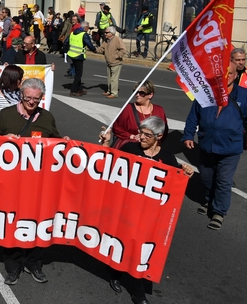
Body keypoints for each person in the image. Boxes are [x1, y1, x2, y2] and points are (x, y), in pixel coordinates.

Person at [100, 116, 194, 304]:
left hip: (149, 216)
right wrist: (107, 143)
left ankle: (138, 292)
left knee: (139, 251)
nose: (140, 137)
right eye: (140, 132)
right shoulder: (129, 148)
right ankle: (116, 274)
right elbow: (107, 164)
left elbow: (173, 184)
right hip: (126, 210)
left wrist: (186, 174)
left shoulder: (167, 157)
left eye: (146, 135)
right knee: (121, 244)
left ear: (158, 136)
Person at [0, 78, 68, 285]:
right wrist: (3, 139)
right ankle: (13, 267)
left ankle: (34, 264)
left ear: (41, 98)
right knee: (12, 224)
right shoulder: (6, 115)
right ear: (21, 95)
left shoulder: (47, 117)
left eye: (36, 99)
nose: (32, 102)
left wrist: (66, 144)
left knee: (37, 224)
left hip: (39, 185)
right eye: (28, 98)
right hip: (11, 183)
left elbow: (57, 144)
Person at [182, 62, 247, 230]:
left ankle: (219, 211)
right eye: (223, 74)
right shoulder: (204, 94)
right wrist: (188, 134)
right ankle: (209, 201)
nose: (227, 77)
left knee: (224, 181)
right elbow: (193, 116)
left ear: (235, 75)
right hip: (207, 144)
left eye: (230, 74)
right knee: (206, 177)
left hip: (230, 148)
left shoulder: (244, 96)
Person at [111, 80, 168, 149]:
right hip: (130, 147)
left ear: (150, 95)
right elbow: (116, 127)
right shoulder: (128, 108)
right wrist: (131, 136)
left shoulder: (159, 110)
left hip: (150, 149)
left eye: (141, 93)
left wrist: (153, 143)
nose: (137, 95)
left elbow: (163, 131)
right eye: (135, 92)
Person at [63, 21, 96, 96]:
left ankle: (80, 89)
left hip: (71, 55)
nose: (88, 28)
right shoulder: (84, 34)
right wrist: (94, 50)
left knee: (77, 72)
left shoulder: (72, 33)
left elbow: (65, 42)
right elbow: (89, 44)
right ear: (85, 27)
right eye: (88, 27)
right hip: (78, 56)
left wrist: (66, 52)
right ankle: (73, 90)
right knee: (79, 74)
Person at [95, 25, 126, 98]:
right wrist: (94, 49)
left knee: (114, 79)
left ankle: (114, 93)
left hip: (116, 62)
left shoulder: (118, 40)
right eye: (105, 32)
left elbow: (123, 50)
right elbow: (101, 49)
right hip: (109, 62)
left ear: (112, 33)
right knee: (109, 78)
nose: (105, 34)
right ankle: (109, 91)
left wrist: (116, 56)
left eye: (106, 33)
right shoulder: (106, 40)